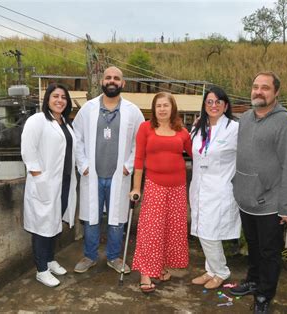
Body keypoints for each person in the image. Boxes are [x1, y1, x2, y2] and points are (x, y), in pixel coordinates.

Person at [229, 71, 287, 313]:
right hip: (246, 199)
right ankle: (253, 280)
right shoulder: (246, 119)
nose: (258, 91)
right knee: (252, 245)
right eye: (255, 86)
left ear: (276, 93)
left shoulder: (286, 124)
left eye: (265, 88)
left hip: (270, 203)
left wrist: (286, 207)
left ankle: (264, 295)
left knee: (269, 252)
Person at [73, 66, 144, 274]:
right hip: (92, 175)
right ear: (102, 82)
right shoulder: (88, 109)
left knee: (117, 220)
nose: (112, 81)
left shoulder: (133, 111)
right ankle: (90, 256)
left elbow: (139, 143)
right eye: (108, 77)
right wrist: (83, 165)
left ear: (123, 84)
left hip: (118, 176)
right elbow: (77, 138)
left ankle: (114, 257)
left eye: (116, 78)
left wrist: (127, 166)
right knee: (91, 218)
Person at [130, 92, 192, 293]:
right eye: (159, 106)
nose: (163, 109)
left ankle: (161, 266)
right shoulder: (145, 128)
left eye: (166, 105)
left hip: (178, 187)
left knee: (171, 229)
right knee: (151, 230)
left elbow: (197, 153)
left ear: (172, 108)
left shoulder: (182, 131)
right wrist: (136, 187)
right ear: (154, 109)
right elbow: (139, 160)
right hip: (155, 184)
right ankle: (146, 273)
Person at [21, 83, 77, 287]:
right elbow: (28, 151)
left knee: (54, 224)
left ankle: (50, 260)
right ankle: (41, 269)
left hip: (64, 183)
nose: (60, 100)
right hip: (45, 184)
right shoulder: (37, 121)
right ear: (47, 99)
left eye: (63, 97)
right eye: (55, 96)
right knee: (41, 227)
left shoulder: (65, 123)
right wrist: (39, 177)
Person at [189, 86, 241, 290]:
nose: (214, 105)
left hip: (220, 189)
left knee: (209, 232)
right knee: (202, 229)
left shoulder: (234, 129)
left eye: (218, 102)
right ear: (204, 105)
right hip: (199, 186)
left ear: (225, 105)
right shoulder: (197, 127)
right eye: (209, 102)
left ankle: (221, 271)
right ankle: (210, 270)